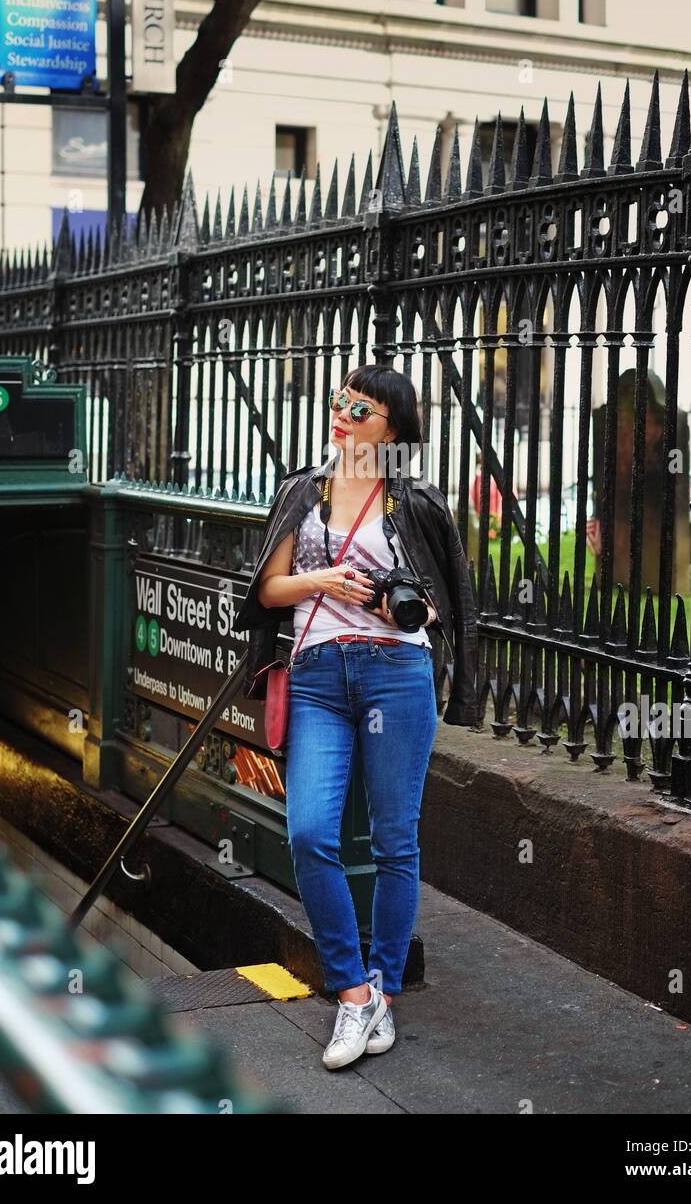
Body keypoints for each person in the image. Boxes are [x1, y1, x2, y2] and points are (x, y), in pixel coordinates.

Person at [232, 364, 478, 1071]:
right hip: (316, 679)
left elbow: (441, 607)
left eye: (360, 409)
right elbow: (270, 589)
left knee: (397, 842)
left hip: (395, 674)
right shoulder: (302, 491)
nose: (341, 414)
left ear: (392, 429)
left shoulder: (417, 502)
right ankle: (350, 990)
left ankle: (383, 998)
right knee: (309, 832)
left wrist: (386, 602)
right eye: (340, 402)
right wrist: (325, 580)